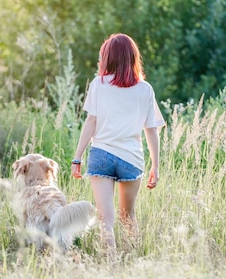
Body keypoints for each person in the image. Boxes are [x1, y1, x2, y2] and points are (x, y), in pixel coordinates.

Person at [71, 33, 165, 260]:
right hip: (131, 159)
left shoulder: (98, 84)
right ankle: (133, 262)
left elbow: (91, 122)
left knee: (106, 219)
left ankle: (110, 267)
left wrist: (77, 157)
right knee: (128, 216)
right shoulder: (145, 89)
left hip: (101, 155)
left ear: (108, 57)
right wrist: (155, 166)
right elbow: (151, 130)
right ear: (132, 57)